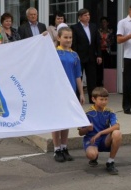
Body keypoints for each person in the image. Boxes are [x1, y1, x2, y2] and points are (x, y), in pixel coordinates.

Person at [52, 25, 85, 162]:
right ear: (58, 38)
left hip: (71, 92)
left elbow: (78, 76)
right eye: (65, 37)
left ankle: (65, 147)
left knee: (66, 120)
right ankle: (56, 149)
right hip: (57, 92)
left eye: (70, 37)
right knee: (57, 121)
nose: (68, 40)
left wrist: (81, 93)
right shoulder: (53, 53)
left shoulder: (74, 55)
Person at [78, 87, 122, 175]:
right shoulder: (87, 113)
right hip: (92, 139)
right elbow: (80, 132)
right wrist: (87, 129)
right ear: (93, 99)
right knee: (92, 155)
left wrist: (100, 133)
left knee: (117, 133)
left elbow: (117, 126)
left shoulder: (109, 112)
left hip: (104, 138)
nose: (104, 102)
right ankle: (94, 157)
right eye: (101, 99)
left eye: (106, 99)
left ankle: (110, 162)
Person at [71, 9, 102, 104]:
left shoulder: (93, 26)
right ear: (80, 17)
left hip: (91, 56)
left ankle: (92, 99)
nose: (87, 16)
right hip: (79, 57)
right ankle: (77, 98)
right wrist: (74, 56)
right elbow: (74, 44)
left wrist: (99, 55)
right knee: (78, 77)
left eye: (88, 15)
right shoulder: (75, 28)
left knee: (92, 79)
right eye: (85, 15)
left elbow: (98, 42)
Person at [97, 17, 114, 86]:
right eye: (102, 22)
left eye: (105, 22)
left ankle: (107, 83)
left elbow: (112, 41)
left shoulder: (110, 31)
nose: (103, 23)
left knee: (107, 66)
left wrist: (106, 42)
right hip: (100, 50)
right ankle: (99, 82)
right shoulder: (98, 31)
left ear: (107, 23)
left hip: (107, 50)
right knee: (99, 67)